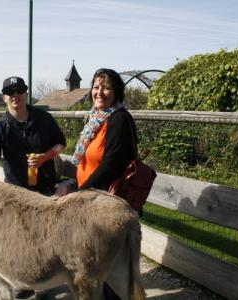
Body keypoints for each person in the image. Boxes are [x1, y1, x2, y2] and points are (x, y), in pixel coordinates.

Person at [0, 76, 66, 299]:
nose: (15, 95)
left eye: (19, 91)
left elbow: (61, 143)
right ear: (4, 97)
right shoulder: (1, 127)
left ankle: (45, 280)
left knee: (45, 237)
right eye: (10, 92)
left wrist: (44, 157)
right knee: (21, 238)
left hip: (44, 190)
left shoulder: (43, 118)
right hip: (17, 194)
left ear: (25, 95)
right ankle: (27, 281)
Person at [72, 68, 138, 300]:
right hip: (91, 198)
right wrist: (74, 184)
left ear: (116, 91)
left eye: (107, 87)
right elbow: (86, 159)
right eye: (96, 87)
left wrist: (81, 193)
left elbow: (111, 164)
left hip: (106, 203)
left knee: (108, 266)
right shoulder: (95, 117)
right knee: (96, 261)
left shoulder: (119, 119)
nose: (100, 92)